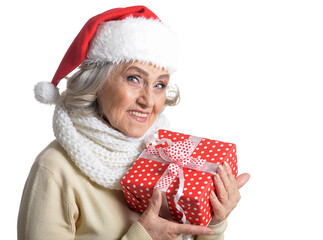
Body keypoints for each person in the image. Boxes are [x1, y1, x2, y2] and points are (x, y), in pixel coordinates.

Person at [18, 6, 250, 240]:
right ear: (96, 83)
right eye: (133, 78)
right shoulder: (55, 169)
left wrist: (214, 220)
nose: (148, 100)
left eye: (159, 84)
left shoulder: (168, 155)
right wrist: (143, 236)